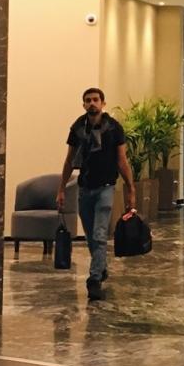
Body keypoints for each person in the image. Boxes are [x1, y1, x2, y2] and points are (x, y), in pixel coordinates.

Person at [56, 88, 135, 302]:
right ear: (83, 105)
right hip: (85, 188)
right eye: (88, 100)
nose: (92, 103)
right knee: (91, 236)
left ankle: (94, 280)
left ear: (103, 103)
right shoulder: (77, 128)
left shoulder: (114, 128)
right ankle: (101, 267)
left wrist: (131, 189)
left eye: (95, 100)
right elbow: (69, 160)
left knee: (100, 234)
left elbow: (122, 160)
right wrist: (61, 188)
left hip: (106, 187)